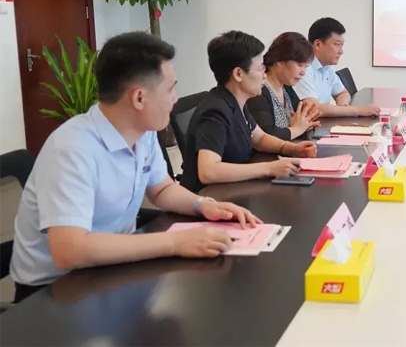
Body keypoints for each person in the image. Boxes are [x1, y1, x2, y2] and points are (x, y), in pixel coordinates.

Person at [10, 32, 261, 303]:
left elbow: (162, 189)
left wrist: (204, 205)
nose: (175, 99)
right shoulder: (71, 149)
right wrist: (175, 242)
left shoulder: (142, 132)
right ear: (139, 98)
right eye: (170, 89)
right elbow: (69, 250)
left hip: (110, 266)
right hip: (54, 291)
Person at [180, 31, 317, 192]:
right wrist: (269, 168)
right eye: (260, 69)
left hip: (234, 189)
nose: (264, 76)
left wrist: (292, 148)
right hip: (209, 197)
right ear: (238, 74)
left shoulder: (237, 102)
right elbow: (208, 172)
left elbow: (259, 138)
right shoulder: (215, 112)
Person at [294, 17, 380, 117]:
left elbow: (342, 93)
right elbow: (313, 109)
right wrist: (357, 110)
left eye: (341, 45)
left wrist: (342, 105)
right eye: (337, 44)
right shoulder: (304, 69)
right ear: (317, 44)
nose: (341, 51)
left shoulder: (327, 68)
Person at [246, 32, 322, 140]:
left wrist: (306, 120)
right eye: (300, 65)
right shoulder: (259, 91)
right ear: (279, 61)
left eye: (306, 67)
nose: (303, 72)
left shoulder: (285, 86)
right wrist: (297, 129)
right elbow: (266, 136)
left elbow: (300, 120)